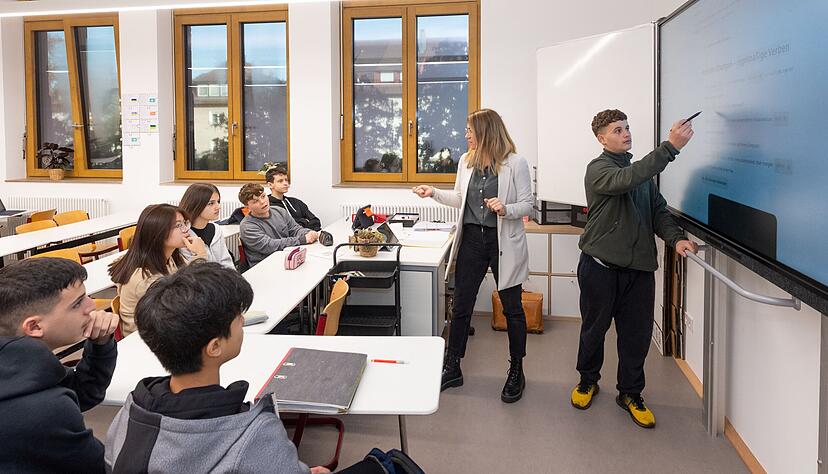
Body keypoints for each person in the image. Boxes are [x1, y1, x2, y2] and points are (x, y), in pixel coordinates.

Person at [105, 262, 423, 474]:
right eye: (236, 317)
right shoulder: (255, 433)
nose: (242, 320)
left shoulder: (131, 410)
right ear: (214, 346)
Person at [570, 109, 698, 429]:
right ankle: (588, 381)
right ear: (602, 139)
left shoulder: (641, 175)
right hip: (599, 269)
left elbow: (658, 213)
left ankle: (630, 393)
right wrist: (669, 147)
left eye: (627, 127)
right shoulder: (599, 169)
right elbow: (624, 180)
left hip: (638, 273)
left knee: (636, 338)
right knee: (593, 331)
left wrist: (677, 239)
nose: (626, 133)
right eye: (617, 130)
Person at [413, 108, 533, 403]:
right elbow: (459, 199)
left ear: (486, 132)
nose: (466, 135)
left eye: (470, 130)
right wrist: (434, 193)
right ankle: (453, 366)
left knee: (512, 309)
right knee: (461, 305)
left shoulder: (515, 163)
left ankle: (517, 369)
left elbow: (528, 204)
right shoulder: (466, 162)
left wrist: (506, 208)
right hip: (472, 241)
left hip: (501, 240)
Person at [0, 257, 119, 473]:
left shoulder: (17, 363)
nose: (92, 305)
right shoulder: (45, 411)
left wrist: (100, 344)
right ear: (34, 326)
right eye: (77, 303)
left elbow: (80, 393)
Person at [108, 204, 207, 337]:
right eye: (178, 226)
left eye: (185, 223)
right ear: (158, 232)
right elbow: (185, 304)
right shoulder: (144, 278)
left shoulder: (170, 258)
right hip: (149, 340)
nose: (186, 230)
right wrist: (200, 257)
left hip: (168, 328)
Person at [238, 183, 318, 267]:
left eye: (263, 196)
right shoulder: (247, 226)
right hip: (265, 266)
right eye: (255, 201)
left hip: (286, 258)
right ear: (247, 206)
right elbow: (270, 246)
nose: (262, 202)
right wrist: (302, 240)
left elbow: (295, 229)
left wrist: (309, 233)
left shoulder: (279, 211)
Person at [179, 183, 235, 269]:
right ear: (196, 204)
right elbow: (191, 273)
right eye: (211, 203)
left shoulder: (216, 229)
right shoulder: (184, 235)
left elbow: (227, 263)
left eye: (218, 202)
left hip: (223, 279)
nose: (218, 207)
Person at [265, 166, 322, 231]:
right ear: (270, 185)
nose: (286, 183)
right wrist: (304, 221)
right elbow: (284, 229)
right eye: (280, 181)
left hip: (311, 237)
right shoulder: (267, 206)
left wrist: (301, 225)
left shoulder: (296, 202)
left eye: (286, 180)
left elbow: (316, 221)